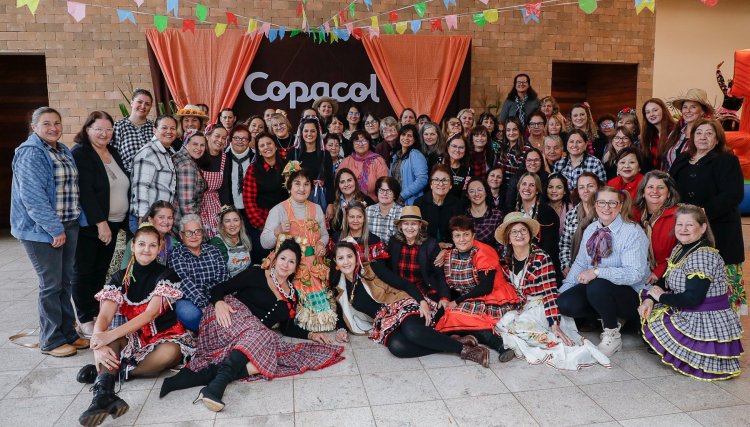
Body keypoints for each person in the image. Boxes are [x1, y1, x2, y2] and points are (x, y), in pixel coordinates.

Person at [160, 239, 345, 411]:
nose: (285, 264)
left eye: (291, 262)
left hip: (252, 335)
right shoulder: (256, 274)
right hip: (227, 316)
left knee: (264, 359)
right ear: (274, 258)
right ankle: (216, 387)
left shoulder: (292, 295)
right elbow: (220, 289)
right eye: (282, 258)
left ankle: (191, 380)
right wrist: (219, 303)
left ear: (295, 267)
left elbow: (286, 327)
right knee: (262, 338)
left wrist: (311, 335)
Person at [77, 224, 194, 426]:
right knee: (111, 339)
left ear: (160, 249)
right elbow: (104, 316)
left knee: (169, 353)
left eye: (152, 245)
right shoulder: (119, 277)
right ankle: (102, 396)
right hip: (135, 335)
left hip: (165, 334)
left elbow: (149, 315)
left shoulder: (167, 275)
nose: (146, 250)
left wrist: (107, 336)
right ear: (133, 246)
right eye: (141, 244)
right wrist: (98, 340)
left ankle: (110, 375)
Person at [332, 241, 491, 365]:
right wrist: (340, 329)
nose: (346, 262)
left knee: (412, 332)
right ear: (336, 262)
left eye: (349, 256)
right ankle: (450, 341)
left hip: (401, 304)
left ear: (356, 257)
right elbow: (341, 313)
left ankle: (466, 350)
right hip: (385, 320)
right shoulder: (340, 289)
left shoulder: (371, 268)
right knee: (397, 347)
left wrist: (421, 302)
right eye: (341, 258)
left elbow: (404, 284)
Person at [11, 106, 89, 357]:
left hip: (69, 223)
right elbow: (32, 197)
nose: (53, 127)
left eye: (57, 122)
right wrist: (55, 229)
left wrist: (76, 221)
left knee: (65, 281)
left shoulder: (62, 149)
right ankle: (51, 339)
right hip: (42, 230)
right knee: (50, 284)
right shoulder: (30, 153)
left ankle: (68, 332)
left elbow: (72, 188)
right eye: (46, 123)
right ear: (34, 127)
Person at [638, 204, 743, 380]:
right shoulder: (680, 248)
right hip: (689, 309)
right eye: (679, 224)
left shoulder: (703, 255)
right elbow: (666, 278)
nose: (683, 229)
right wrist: (650, 298)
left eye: (690, 225)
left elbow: (693, 298)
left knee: (653, 320)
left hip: (705, 320)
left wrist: (660, 297)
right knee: (646, 310)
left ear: (703, 228)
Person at [495, 212, 610, 369]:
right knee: (504, 323)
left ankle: (552, 341)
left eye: (523, 230)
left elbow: (550, 293)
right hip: (522, 307)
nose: (519, 235)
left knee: (518, 326)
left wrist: (554, 324)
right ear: (508, 238)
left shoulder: (541, 258)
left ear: (529, 234)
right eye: (514, 232)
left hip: (542, 306)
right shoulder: (506, 260)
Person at [558, 187, 650, 356]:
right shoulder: (592, 229)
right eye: (601, 202)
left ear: (620, 206)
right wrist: (563, 291)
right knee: (565, 303)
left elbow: (634, 274)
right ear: (595, 204)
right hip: (601, 289)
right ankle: (608, 314)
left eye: (612, 203)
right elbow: (580, 263)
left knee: (597, 285)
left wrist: (597, 272)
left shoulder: (632, 232)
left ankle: (612, 333)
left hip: (632, 295)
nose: (606, 207)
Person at [670, 118, 745, 312]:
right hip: (686, 228)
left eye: (709, 133)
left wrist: (701, 213)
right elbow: (670, 187)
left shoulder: (727, 159)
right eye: (699, 132)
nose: (703, 137)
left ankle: (729, 318)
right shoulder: (683, 159)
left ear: (717, 138)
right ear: (692, 137)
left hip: (720, 229)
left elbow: (733, 194)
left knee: (723, 276)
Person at [72, 111, 130, 338]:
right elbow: (86, 192)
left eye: (108, 129)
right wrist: (101, 223)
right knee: (83, 271)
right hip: (93, 225)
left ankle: (97, 313)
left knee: (100, 270)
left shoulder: (112, 151)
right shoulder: (82, 153)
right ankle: (85, 318)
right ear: (87, 130)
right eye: (99, 129)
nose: (104, 134)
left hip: (115, 223)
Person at [434, 216, 520, 362]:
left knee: (461, 316)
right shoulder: (452, 254)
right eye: (457, 235)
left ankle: (500, 346)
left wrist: (457, 301)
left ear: (473, 235)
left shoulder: (483, 251)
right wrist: (446, 299)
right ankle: (464, 339)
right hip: (472, 296)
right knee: (440, 319)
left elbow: (485, 287)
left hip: (493, 296)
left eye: (466, 234)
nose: (462, 239)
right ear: (453, 238)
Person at [261, 167, 336, 331]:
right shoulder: (279, 210)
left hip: (312, 267)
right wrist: (278, 231)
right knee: (289, 318)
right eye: (297, 183)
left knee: (322, 321)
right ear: (289, 187)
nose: (302, 188)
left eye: (306, 184)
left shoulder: (316, 209)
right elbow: (264, 242)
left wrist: (322, 244)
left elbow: (324, 234)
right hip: (287, 268)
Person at [169, 215, 230, 331]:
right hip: (191, 300)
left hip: (217, 297)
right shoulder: (176, 255)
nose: (194, 236)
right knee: (187, 312)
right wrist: (207, 307)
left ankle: (218, 328)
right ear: (181, 235)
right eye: (189, 233)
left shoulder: (213, 250)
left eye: (197, 231)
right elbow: (185, 283)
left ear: (202, 233)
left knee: (233, 307)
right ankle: (210, 331)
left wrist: (217, 300)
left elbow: (224, 276)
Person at [241, 132, 288, 262]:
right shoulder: (253, 169)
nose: (266, 147)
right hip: (263, 219)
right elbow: (248, 201)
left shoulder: (287, 165)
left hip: (286, 218)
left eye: (269, 143)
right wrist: (262, 226)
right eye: (262, 146)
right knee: (264, 257)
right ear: (259, 151)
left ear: (275, 145)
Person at [387, 206, 449, 302]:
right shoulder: (394, 242)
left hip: (424, 290)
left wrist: (444, 297)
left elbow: (440, 274)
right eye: (406, 224)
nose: (410, 228)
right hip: (400, 290)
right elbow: (388, 270)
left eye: (414, 224)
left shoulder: (430, 244)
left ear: (420, 225)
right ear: (400, 226)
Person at [130, 115, 178, 233]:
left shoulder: (169, 152)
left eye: (172, 128)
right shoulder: (149, 152)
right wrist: (144, 219)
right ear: (154, 130)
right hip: (147, 218)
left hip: (160, 218)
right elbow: (140, 186)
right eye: (164, 128)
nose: (169, 131)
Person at [634, 170, 679, 286]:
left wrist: (658, 272)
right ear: (643, 192)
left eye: (660, 187)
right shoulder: (633, 215)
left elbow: (681, 251)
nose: (655, 191)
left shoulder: (678, 216)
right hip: (638, 273)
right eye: (650, 187)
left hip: (669, 275)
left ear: (669, 193)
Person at [559, 172, 604, 278]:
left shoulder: (605, 212)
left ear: (598, 188)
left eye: (590, 186)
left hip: (600, 271)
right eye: (581, 187)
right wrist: (566, 266)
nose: (586, 190)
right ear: (577, 191)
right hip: (575, 269)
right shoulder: (571, 214)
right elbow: (565, 245)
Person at [289, 118, 335, 219]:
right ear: (301, 133)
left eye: (313, 131)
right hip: (298, 198)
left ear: (318, 133)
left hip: (320, 199)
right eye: (306, 131)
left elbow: (330, 181)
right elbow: (288, 180)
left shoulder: (325, 155)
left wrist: (330, 203)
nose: (309, 134)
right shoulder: (293, 153)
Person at [515, 172, 560, 271]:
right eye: (524, 184)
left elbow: (549, 248)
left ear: (537, 190)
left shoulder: (547, 213)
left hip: (543, 266)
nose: (527, 188)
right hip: (519, 262)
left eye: (532, 185)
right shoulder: (515, 212)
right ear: (519, 188)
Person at [662, 88, 714, 171]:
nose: (688, 111)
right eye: (685, 107)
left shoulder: (707, 135)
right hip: (672, 182)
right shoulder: (675, 133)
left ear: (702, 111)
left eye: (693, 107)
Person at [415, 165, 463, 249]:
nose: (441, 184)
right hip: (425, 247)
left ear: (451, 185)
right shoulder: (419, 203)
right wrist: (436, 245)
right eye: (436, 180)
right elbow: (417, 231)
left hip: (451, 247)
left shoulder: (457, 204)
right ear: (431, 184)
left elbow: (460, 230)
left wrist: (447, 247)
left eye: (445, 180)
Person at [339, 130, 389, 202]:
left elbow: (384, 185)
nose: (360, 144)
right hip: (348, 203)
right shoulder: (346, 162)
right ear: (352, 144)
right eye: (357, 141)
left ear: (369, 143)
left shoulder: (378, 160)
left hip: (374, 203)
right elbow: (338, 183)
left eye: (364, 141)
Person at [172, 131, 207, 230]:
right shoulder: (187, 165)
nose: (199, 148)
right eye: (195, 144)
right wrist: (195, 229)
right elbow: (187, 205)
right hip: (183, 222)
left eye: (202, 145)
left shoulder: (179, 156)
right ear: (186, 143)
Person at [113, 89, 154, 174]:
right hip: (129, 179)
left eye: (147, 104)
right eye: (139, 102)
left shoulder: (155, 127)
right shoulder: (118, 126)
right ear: (132, 103)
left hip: (154, 179)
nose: (143, 106)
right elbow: (112, 156)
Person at [200, 126, 228, 239]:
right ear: (207, 136)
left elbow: (225, 187)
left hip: (215, 204)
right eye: (217, 136)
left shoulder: (225, 159)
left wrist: (225, 209)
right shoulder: (198, 154)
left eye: (224, 138)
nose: (220, 140)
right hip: (197, 204)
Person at [209, 205, 252, 277]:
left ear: (240, 223)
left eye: (235, 220)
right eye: (227, 221)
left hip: (245, 280)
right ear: (222, 225)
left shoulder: (245, 239)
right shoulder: (216, 242)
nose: (232, 225)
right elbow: (217, 273)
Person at [390, 124, 428, 205]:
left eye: (410, 136)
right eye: (403, 134)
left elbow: (422, 179)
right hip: (394, 200)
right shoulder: (395, 155)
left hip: (409, 202)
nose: (406, 138)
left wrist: (402, 195)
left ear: (414, 139)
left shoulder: (416, 154)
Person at [498, 118, 529, 211]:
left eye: (515, 129)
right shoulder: (503, 148)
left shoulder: (526, 149)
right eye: (508, 130)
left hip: (516, 192)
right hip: (501, 190)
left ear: (520, 131)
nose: (511, 133)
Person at [331, 167, 374, 231]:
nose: (346, 184)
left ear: (355, 181)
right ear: (338, 186)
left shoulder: (367, 201)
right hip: (339, 239)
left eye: (349, 180)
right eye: (342, 182)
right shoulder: (334, 203)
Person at [466, 179, 504, 250]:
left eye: (480, 190)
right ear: (467, 195)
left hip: (491, 258)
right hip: (467, 259)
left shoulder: (497, 215)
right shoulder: (463, 216)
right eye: (472, 191)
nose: (476, 194)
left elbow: (501, 244)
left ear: (486, 192)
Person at [365, 176, 403, 246]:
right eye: (381, 190)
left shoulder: (402, 213)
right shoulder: (368, 211)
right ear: (377, 192)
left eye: (389, 191)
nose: (384, 194)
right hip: (372, 254)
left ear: (395, 195)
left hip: (394, 254)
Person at [640, 98, 675, 171]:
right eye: (648, 112)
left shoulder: (675, 132)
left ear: (663, 111)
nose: (651, 114)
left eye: (655, 110)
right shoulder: (648, 135)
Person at [715, 60, 744, 130]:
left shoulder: (727, 91)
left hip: (722, 114)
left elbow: (720, 81)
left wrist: (718, 69)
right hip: (734, 116)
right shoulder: (743, 95)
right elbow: (721, 82)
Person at [442, 134, 472, 199]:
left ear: (465, 150)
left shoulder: (469, 169)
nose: (457, 150)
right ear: (448, 147)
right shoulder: (440, 166)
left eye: (461, 147)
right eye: (454, 146)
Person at [544, 172, 572, 236]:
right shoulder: (539, 207)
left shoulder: (571, 209)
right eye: (550, 187)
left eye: (559, 187)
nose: (554, 191)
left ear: (565, 191)